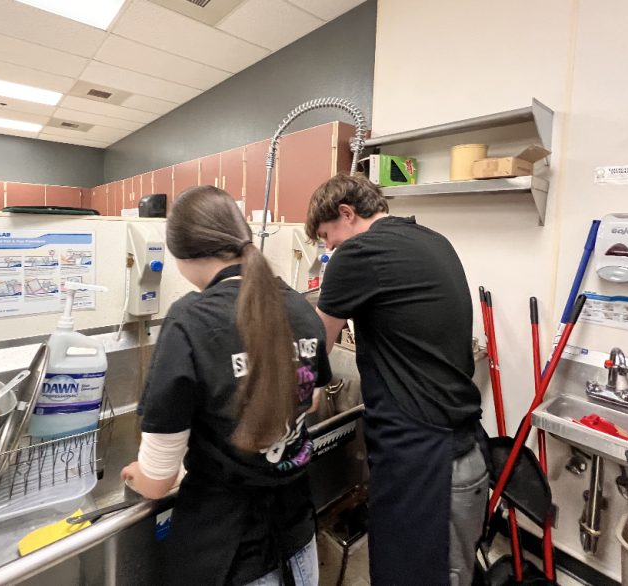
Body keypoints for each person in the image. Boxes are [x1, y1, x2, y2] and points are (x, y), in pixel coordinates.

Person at [121, 186, 332, 586]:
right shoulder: (298, 307)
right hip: (298, 540)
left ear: (180, 255)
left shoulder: (190, 321)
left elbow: (159, 478)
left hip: (229, 553)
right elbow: (314, 400)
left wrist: (135, 475)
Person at [306, 173, 487, 586]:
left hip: (425, 465)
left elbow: (316, 349)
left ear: (347, 213)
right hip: (463, 449)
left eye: (326, 235)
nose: (327, 247)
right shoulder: (433, 240)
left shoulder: (357, 255)